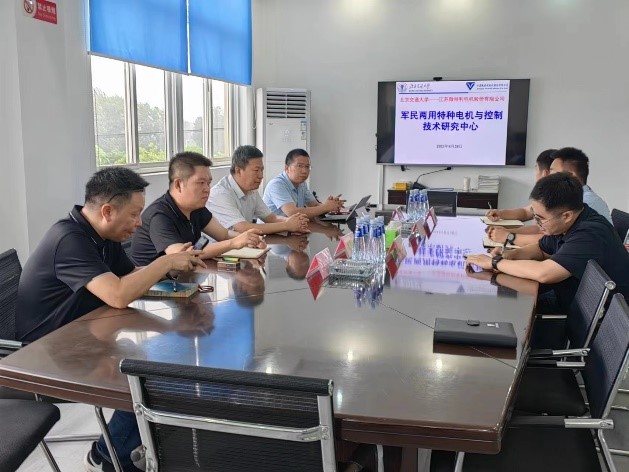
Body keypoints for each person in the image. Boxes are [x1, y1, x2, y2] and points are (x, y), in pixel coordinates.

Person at [15, 167, 206, 472]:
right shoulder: (69, 239)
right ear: (107, 211)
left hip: (84, 333)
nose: (139, 223)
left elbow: (131, 277)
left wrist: (171, 274)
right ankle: (106, 457)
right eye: (134, 214)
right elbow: (118, 295)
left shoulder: (103, 236)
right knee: (146, 377)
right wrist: (164, 263)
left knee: (166, 357)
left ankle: (137, 444)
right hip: (45, 353)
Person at [465, 173, 629, 315]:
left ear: (566, 216)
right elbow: (541, 249)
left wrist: (495, 262)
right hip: (571, 299)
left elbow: (545, 273)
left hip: (597, 319)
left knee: (503, 309)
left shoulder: (590, 233)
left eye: (540, 219)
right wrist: (510, 255)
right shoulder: (571, 221)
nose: (537, 223)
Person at [131, 152, 265, 265]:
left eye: (208, 183)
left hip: (186, 278)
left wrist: (249, 239)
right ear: (178, 184)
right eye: (201, 183)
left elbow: (224, 234)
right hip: (157, 285)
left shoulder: (196, 207)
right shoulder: (160, 216)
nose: (207, 189)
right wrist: (234, 243)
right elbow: (182, 256)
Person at [208, 145, 310, 235]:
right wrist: (287, 225)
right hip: (219, 249)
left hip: (242, 245)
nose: (261, 176)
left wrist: (295, 222)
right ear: (238, 170)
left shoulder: (251, 190)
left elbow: (271, 218)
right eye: (256, 170)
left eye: (262, 170)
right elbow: (243, 228)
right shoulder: (221, 194)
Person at [484, 149, 556, 247]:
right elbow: (527, 214)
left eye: (536, 169)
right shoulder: (545, 193)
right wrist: (500, 215)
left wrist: (509, 236)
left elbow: (548, 240)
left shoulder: (559, 198)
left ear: (545, 173)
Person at [262, 148, 344, 218]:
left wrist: (331, 205)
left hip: (291, 229)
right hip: (270, 231)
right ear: (287, 168)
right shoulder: (277, 184)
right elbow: (292, 213)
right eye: (299, 166)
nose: (304, 171)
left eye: (307, 167)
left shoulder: (302, 184)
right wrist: (325, 207)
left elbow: (314, 205)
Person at [548, 147, 612, 223]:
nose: (547, 179)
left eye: (553, 174)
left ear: (571, 176)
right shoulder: (571, 199)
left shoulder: (586, 203)